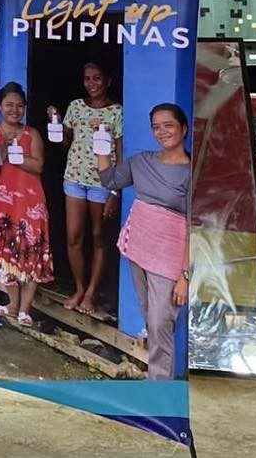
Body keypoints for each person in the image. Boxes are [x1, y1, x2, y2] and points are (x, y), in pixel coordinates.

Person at [98, 103, 192, 379]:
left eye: (168, 125)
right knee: (152, 318)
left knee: (161, 322)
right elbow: (109, 180)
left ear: (184, 128)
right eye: (156, 127)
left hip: (171, 257)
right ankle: (157, 382)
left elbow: (196, 227)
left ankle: (160, 387)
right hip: (139, 247)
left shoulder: (192, 172)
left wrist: (185, 275)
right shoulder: (141, 162)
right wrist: (101, 143)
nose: (162, 132)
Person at [46, 62, 124, 315]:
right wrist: (56, 123)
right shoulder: (76, 106)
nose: (92, 83)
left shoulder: (117, 112)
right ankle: (80, 289)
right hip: (74, 180)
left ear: (108, 81)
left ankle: (91, 293)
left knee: (99, 237)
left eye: (97, 78)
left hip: (102, 184)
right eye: (87, 79)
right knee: (74, 237)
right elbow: (65, 144)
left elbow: (120, 155)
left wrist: (115, 192)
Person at [0, 82, 52, 326]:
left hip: (30, 203)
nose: (15, 110)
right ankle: (12, 305)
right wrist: (3, 147)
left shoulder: (31, 134)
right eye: (9, 105)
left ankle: (25, 310)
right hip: (2, 205)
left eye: (20, 106)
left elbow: (38, 166)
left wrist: (16, 154)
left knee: (31, 252)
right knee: (5, 253)